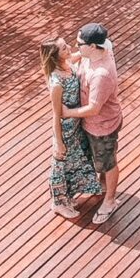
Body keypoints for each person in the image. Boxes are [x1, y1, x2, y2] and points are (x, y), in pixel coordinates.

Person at [64, 22, 122, 225]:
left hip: (102, 126)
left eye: (79, 44)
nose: (75, 45)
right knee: (101, 161)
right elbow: (107, 43)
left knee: (107, 162)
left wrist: (66, 112)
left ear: (92, 46)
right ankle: (103, 186)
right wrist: (76, 57)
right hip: (94, 124)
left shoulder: (101, 75)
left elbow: (93, 109)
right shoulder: (102, 48)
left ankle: (110, 201)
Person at [41, 36, 101, 220]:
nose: (68, 48)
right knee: (61, 163)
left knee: (75, 160)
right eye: (63, 48)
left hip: (76, 125)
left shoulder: (67, 63)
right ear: (55, 56)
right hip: (65, 129)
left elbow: (80, 55)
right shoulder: (57, 83)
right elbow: (56, 115)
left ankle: (68, 196)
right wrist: (58, 142)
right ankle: (58, 203)